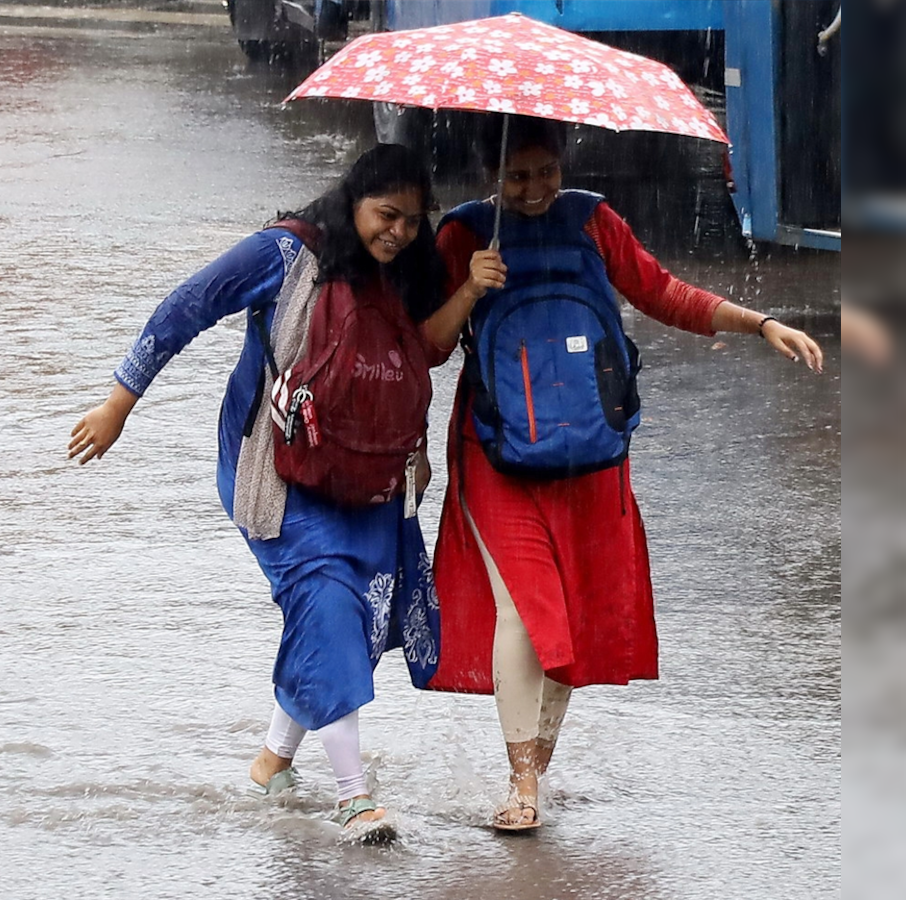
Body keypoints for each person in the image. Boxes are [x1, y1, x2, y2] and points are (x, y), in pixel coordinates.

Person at [419, 116, 825, 832]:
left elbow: (664, 294)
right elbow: (427, 345)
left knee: (570, 617)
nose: (536, 189)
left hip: (593, 454)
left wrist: (760, 323)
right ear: (492, 174)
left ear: (564, 164)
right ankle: (522, 785)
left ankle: (534, 766)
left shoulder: (595, 223)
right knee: (524, 610)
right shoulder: (461, 236)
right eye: (518, 176)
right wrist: (469, 289)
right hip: (495, 454)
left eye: (546, 172)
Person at [68, 144, 462, 841]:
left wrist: (423, 451)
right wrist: (117, 406)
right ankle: (353, 796)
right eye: (385, 215)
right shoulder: (288, 255)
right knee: (329, 605)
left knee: (343, 620)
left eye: (413, 220)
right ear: (352, 202)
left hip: (370, 476)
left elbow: (411, 362)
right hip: (276, 472)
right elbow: (187, 306)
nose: (397, 232)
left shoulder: (404, 271)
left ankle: (271, 762)